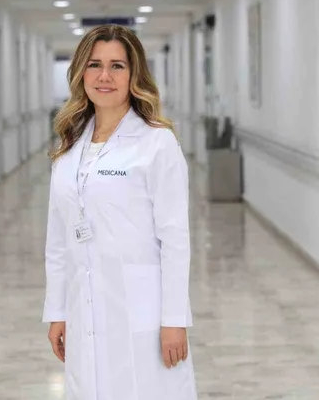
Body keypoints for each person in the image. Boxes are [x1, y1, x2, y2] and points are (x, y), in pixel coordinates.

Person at [42, 25, 198, 400]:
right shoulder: (70, 145)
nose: (105, 76)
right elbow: (58, 239)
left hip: (142, 309)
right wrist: (58, 310)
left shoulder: (157, 142)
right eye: (94, 65)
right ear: (81, 73)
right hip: (84, 307)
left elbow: (175, 239)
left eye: (117, 66)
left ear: (134, 75)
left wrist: (174, 320)